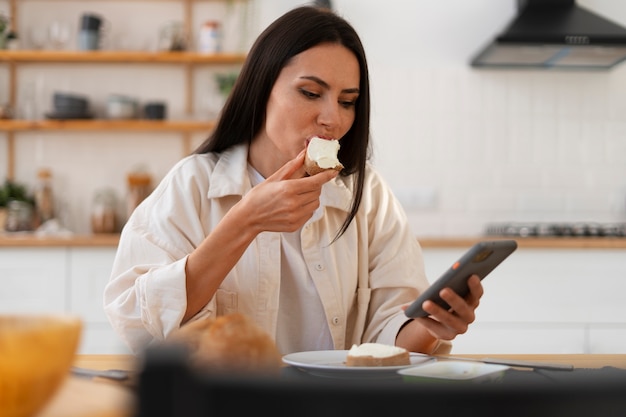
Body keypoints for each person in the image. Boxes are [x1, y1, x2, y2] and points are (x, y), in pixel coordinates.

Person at [103, 5, 484, 356]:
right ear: (262, 88)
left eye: (347, 101)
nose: (332, 119)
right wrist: (244, 221)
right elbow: (136, 322)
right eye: (310, 93)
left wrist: (431, 326)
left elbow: (388, 339)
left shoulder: (367, 196)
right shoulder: (192, 185)